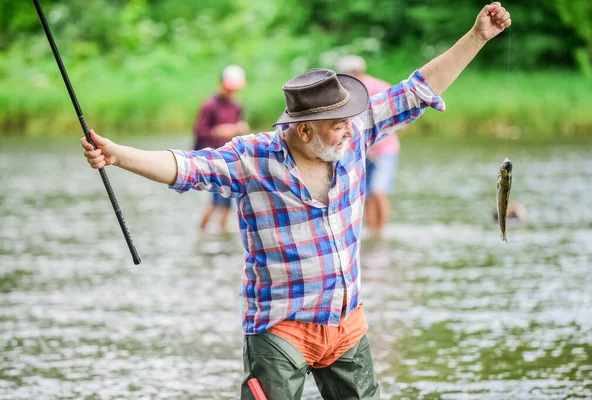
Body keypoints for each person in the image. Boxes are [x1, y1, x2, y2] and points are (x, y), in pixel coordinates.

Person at [81, 4, 511, 399]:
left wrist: (477, 36)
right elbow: (184, 167)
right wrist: (118, 155)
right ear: (304, 131)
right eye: (337, 126)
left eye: (348, 122)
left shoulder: (355, 134)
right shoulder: (252, 158)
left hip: (346, 325)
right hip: (279, 329)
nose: (348, 131)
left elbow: (418, 89)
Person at [336, 55, 401, 238]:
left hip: (384, 149)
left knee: (380, 190)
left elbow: (399, 116)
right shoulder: (342, 91)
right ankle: (374, 233)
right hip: (359, 150)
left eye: (352, 73)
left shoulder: (379, 87)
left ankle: (382, 231)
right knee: (367, 194)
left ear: (360, 72)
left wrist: (379, 138)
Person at [193, 65, 250, 233]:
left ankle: (223, 233)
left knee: (229, 201)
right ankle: (202, 232)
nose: (231, 94)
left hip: (229, 160)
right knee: (215, 200)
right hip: (212, 160)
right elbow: (199, 132)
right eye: (228, 90)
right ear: (221, 85)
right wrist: (218, 131)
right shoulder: (210, 105)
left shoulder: (237, 106)